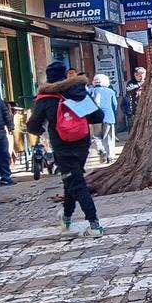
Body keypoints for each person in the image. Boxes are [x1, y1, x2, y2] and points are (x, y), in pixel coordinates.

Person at [27, 61, 105, 237]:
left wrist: (47, 128)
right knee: (71, 179)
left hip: (62, 146)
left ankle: (94, 224)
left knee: (76, 183)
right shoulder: (78, 91)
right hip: (83, 143)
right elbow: (98, 116)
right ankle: (67, 218)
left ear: (48, 77)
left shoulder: (45, 98)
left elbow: (32, 126)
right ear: (65, 75)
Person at [88, 74, 120, 164]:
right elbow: (115, 105)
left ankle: (101, 150)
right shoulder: (111, 92)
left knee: (95, 137)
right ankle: (110, 156)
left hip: (94, 118)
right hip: (109, 116)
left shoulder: (90, 91)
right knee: (109, 137)